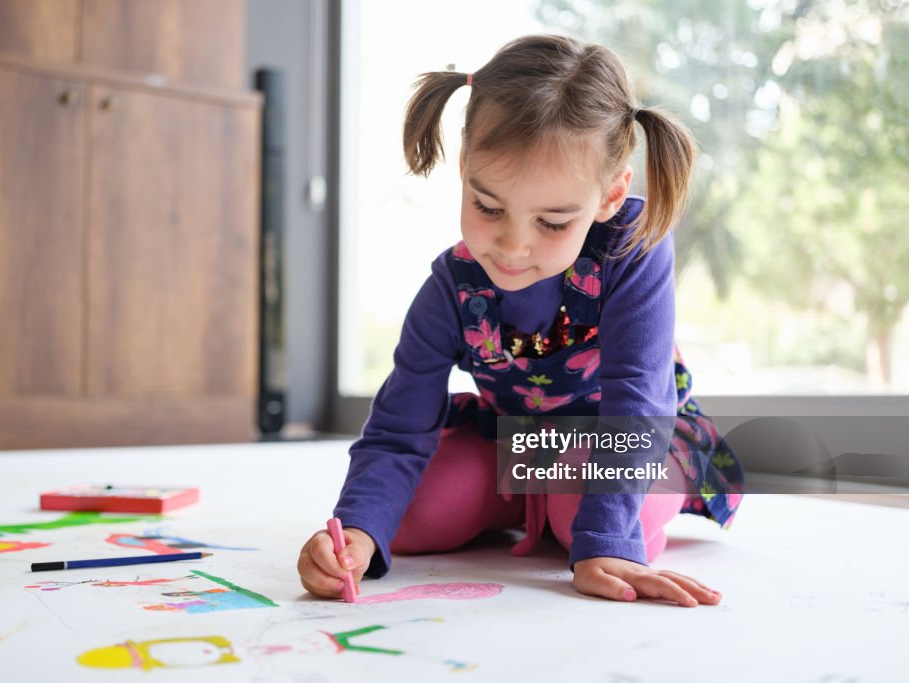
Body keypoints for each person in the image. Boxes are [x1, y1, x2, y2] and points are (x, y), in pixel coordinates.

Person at [298, 34, 744, 607]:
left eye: (553, 222)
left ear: (610, 195)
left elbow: (638, 395)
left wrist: (607, 540)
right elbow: (399, 426)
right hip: (521, 443)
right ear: (464, 167)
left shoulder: (633, 246)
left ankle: (571, 508)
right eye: (488, 207)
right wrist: (354, 533)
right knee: (403, 522)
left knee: (581, 517)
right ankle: (531, 502)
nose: (512, 246)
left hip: (640, 438)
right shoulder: (451, 287)